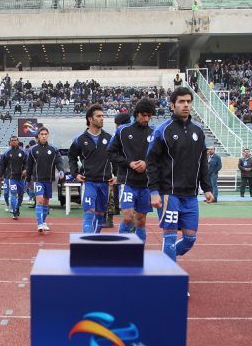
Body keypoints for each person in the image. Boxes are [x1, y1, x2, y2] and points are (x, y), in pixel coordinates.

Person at [147, 87, 214, 266]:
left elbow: (202, 161)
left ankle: (164, 259)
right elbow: (152, 163)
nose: (185, 105)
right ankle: (169, 276)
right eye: (181, 102)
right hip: (169, 193)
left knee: (190, 238)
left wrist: (207, 188)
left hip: (191, 195)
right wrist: (154, 191)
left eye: (188, 101)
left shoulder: (198, 131)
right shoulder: (162, 131)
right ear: (172, 105)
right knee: (169, 236)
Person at [107, 99, 156, 242]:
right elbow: (110, 152)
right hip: (128, 182)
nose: (146, 119)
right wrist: (129, 163)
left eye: (149, 116)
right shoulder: (123, 130)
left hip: (146, 184)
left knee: (140, 220)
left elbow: (160, 156)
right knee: (128, 217)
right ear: (137, 114)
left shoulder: (155, 132)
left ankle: (138, 248)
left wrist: (146, 163)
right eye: (144, 115)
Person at [69, 105, 114, 233]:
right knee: (88, 214)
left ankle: (94, 239)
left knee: (100, 215)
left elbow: (116, 157)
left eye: (102, 116)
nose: (102, 118)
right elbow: (71, 157)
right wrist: (75, 174)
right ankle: (87, 242)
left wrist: (116, 175)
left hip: (105, 182)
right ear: (90, 119)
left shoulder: (109, 138)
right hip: (88, 182)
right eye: (98, 116)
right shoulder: (79, 139)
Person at [26, 127, 64, 233]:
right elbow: (29, 166)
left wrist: (61, 170)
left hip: (49, 179)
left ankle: (43, 222)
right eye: (41, 134)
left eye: (45, 134)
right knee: (40, 200)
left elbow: (59, 161)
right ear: (38, 136)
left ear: (48, 135)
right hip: (38, 179)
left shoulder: (54, 149)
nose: (43, 136)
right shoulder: (33, 149)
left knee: (46, 203)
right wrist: (28, 179)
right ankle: (39, 224)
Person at [0, 135, 27, 220]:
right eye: (12, 140)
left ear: (18, 141)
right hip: (12, 178)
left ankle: (17, 207)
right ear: (10, 142)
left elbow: (27, 163)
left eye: (15, 140)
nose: (14, 141)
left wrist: (25, 169)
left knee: (21, 195)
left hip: (21, 178)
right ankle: (14, 211)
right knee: (13, 194)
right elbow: (2, 165)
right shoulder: (6, 153)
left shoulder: (23, 152)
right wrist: (0, 175)